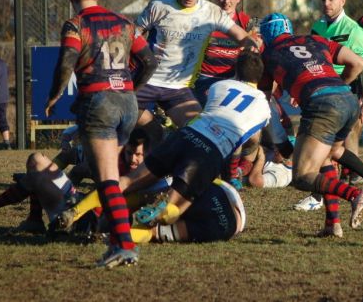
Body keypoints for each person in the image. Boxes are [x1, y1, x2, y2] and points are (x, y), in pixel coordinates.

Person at [45, 0, 157, 268]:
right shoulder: (125, 23)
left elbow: (66, 61)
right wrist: (132, 87)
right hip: (128, 104)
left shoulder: (76, 25)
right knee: (107, 174)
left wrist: (55, 95)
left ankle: (124, 244)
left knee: (107, 177)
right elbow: (149, 61)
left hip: (99, 103)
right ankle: (113, 237)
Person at [106, 51, 270, 233]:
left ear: (236, 71)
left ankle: (88, 212)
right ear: (260, 76)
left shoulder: (221, 85)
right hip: (209, 153)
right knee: (174, 209)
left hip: (185, 135)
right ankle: (133, 228)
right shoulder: (263, 105)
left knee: (129, 182)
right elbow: (251, 139)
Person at [259, 12, 363, 237]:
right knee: (326, 158)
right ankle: (332, 224)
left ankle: (354, 194)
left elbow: (264, 100)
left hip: (322, 106)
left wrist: (279, 138)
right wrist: (339, 85)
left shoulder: (269, 54)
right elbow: (359, 63)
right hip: (348, 101)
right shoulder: (317, 39)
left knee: (302, 176)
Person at [294, 0, 363, 217]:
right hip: (321, 93)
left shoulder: (353, 29)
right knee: (332, 151)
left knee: (325, 149)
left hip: (344, 93)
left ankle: (318, 196)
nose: (326, 4)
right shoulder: (317, 27)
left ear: (342, 1)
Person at [134, 0, 256, 133]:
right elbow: (132, 35)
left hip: (178, 88)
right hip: (146, 82)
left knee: (200, 132)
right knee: (126, 125)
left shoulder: (211, 12)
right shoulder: (158, 6)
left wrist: (251, 46)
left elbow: (242, 37)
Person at [0, 130, 155, 234]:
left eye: (139, 155)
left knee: (34, 177)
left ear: (148, 154)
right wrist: (70, 185)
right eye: (130, 153)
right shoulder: (111, 158)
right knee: (37, 160)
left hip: (90, 221)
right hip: (76, 203)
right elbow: (75, 164)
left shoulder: (151, 175)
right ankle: (34, 219)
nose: (133, 159)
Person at [192, 0, 253, 106]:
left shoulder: (246, 22)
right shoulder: (205, 20)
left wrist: (255, 45)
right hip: (205, 78)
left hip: (234, 79)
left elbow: (258, 45)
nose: (226, 1)